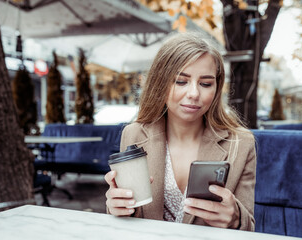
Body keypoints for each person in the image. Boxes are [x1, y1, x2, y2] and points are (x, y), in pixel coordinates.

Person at [105, 31, 256, 231]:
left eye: (205, 84)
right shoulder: (134, 134)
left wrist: (235, 218)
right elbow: (127, 220)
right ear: (160, 83)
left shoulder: (241, 143)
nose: (194, 93)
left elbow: (249, 227)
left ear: (216, 89)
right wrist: (116, 207)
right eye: (181, 81)